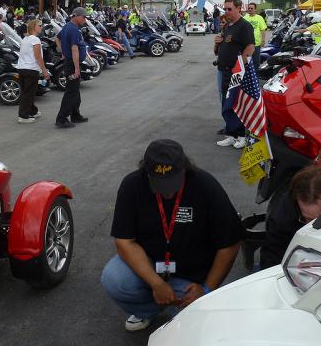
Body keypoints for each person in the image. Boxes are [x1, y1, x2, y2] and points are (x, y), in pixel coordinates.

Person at [101, 139, 243, 332]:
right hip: (152, 267)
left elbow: (230, 244)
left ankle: (188, 308)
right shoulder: (132, 185)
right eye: (159, 184)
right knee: (114, 278)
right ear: (146, 173)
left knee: (192, 333)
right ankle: (150, 309)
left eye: (173, 183)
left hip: (193, 278)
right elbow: (124, 241)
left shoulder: (206, 186)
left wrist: (207, 289)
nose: (167, 191)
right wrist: (156, 283)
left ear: (185, 169)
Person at [249, 166, 321, 271]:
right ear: (297, 202)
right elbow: (272, 261)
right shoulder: (281, 221)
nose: (315, 225)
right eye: (308, 220)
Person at [213, 0, 254, 149]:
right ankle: (231, 134)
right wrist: (217, 43)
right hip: (223, 70)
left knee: (237, 103)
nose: (227, 12)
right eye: (225, 9)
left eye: (229, 9)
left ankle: (242, 136)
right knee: (226, 103)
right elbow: (220, 49)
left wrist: (240, 67)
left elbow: (250, 48)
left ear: (238, 8)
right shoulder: (228, 26)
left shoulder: (244, 26)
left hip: (235, 71)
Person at [55, 7, 89, 129]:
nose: (85, 20)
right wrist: (77, 69)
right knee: (71, 92)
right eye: (83, 17)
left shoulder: (67, 26)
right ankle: (61, 118)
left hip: (69, 62)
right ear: (76, 16)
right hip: (72, 64)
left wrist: (62, 52)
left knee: (75, 90)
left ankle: (75, 115)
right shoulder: (73, 29)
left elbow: (57, 39)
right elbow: (74, 49)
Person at [17, 18, 51, 123]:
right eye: (39, 26)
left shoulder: (25, 39)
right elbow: (38, 57)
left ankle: (32, 111)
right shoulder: (35, 40)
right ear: (33, 27)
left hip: (22, 69)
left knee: (27, 92)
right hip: (31, 70)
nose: (41, 27)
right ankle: (23, 116)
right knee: (28, 93)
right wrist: (45, 71)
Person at [243, 3, 267, 67]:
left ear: (255, 9)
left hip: (256, 44)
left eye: (251, 8)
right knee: (246, 62)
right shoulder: (245, 18)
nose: (250, 9)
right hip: (246, 44)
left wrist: (263, 40)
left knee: (256, 62)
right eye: (249, 8)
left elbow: (263, 30)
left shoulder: (259, 18)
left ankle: (256, 75)